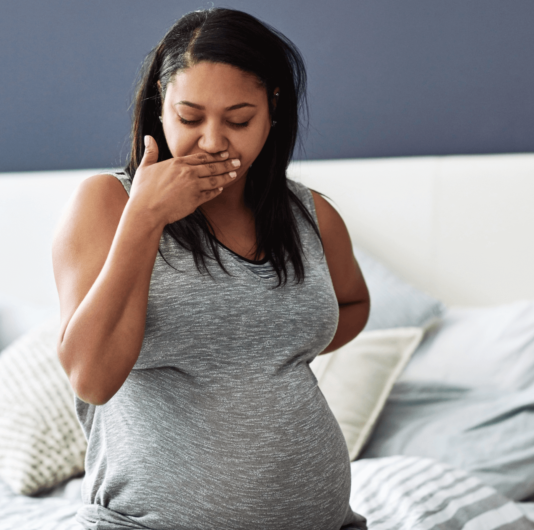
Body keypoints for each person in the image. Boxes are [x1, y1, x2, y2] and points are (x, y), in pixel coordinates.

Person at [52, 7, 370, 529]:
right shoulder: (106, 204)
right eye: (190, 117)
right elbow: (92, 378)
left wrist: (263, 351)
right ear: (160, 105)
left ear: (272, 109)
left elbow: (352, 303)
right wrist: (146, 218)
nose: (213, 141)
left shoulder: (310, 216)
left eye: (239, 119)